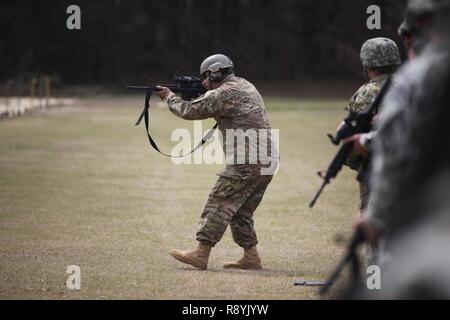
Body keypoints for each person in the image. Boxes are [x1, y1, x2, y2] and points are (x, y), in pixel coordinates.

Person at [354, 0, 450, 298]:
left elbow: (377, 143)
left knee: (385, 242)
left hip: (394, 179)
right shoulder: (412, 79)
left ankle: (376, 284)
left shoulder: (408, 83)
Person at [155, 54, 278, 270]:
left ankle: (200, 254)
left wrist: (169, 97)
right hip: (268, 160)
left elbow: (189, 110)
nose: (203, 82)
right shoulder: (244, 84)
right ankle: (251, 257)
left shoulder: (224, 92)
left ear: (216, 73)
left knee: (219, 200)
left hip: (248, 161)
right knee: (240, 210)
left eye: (205, 77)